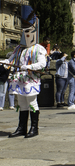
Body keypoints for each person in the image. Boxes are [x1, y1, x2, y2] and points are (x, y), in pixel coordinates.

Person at [3, 7, 47, 138]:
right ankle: (21, 127)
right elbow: (10, 59)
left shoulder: (38, 48)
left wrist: (27, 66)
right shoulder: (18, 48)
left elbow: (42, 64)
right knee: (21, 103)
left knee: (32, 102)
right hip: (18, 79)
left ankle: (34, 128)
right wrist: (5, 62)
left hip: (30, 79)